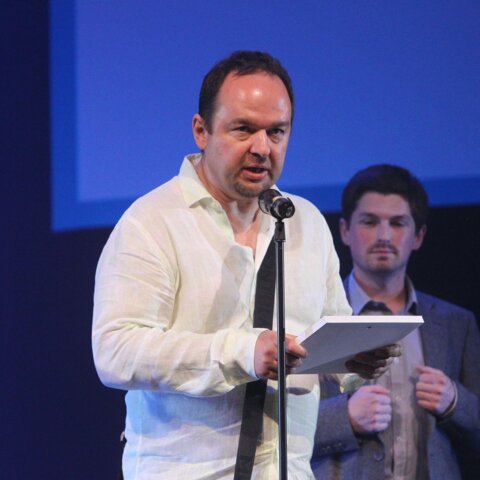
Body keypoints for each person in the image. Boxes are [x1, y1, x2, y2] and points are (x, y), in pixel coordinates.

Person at [92, 51, 397, 479]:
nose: (262, 147)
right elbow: (116, 351)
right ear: (201, 130)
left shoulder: (305, 221)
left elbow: (326, 332)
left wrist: (355, 359)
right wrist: (242, 353)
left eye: (277, 132)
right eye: (243, 129)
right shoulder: (152, 222)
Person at [311, 164, 480, 480]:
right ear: (345, 231)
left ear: (418, 236)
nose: (384, 236)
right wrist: (344, 417)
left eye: (398, 223)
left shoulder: (456, 324)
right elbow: (275, 429)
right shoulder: (313, 318)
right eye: (370, 222)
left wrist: (456, 402)